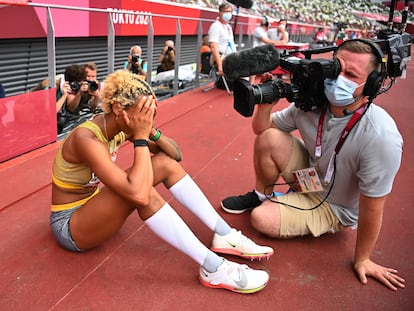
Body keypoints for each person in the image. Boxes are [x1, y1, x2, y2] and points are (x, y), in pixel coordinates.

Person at [49, 69, 273, 294]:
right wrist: (140, 137)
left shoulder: (121, 125)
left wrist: (151, 131)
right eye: (143, 113)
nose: (146, 118)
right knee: (143, 192)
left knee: (164, 164)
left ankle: (225, 235)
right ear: (118, 109)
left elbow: (175, 156)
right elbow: (138, 195)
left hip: (93, 207)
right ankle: (214, 268)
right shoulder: (85, 139)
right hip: (70, 226)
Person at [221, 39, 406, 291]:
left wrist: (363, 258)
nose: (338, 78)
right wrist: (265, 105)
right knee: (270, 138)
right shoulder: (311, 102)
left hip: (335, 206)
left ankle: (286, 208)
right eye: (335, 67)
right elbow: (261, 130)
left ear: (371, 85)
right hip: (311, 176)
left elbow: (373, 207)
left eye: (351, 74)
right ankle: (260, 194)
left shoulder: (380, 136)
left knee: (262, 220)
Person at [251, 16, 289, 83]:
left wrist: (282, 31)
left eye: (283, 24)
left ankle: (263, 83)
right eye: (280, 24)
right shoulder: (262, 31)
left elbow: (285, 40)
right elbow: (267, 41)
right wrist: (278, 43)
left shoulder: (264, 31)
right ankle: (252, 85)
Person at [208, 3, 236, 79]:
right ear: (220, 13)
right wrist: (220, 65)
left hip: (231, 55)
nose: (228, 14)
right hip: (221, 57)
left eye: (230, 12)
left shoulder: (228, 27)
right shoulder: (216, 26)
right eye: (226, 11)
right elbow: (213, 46)